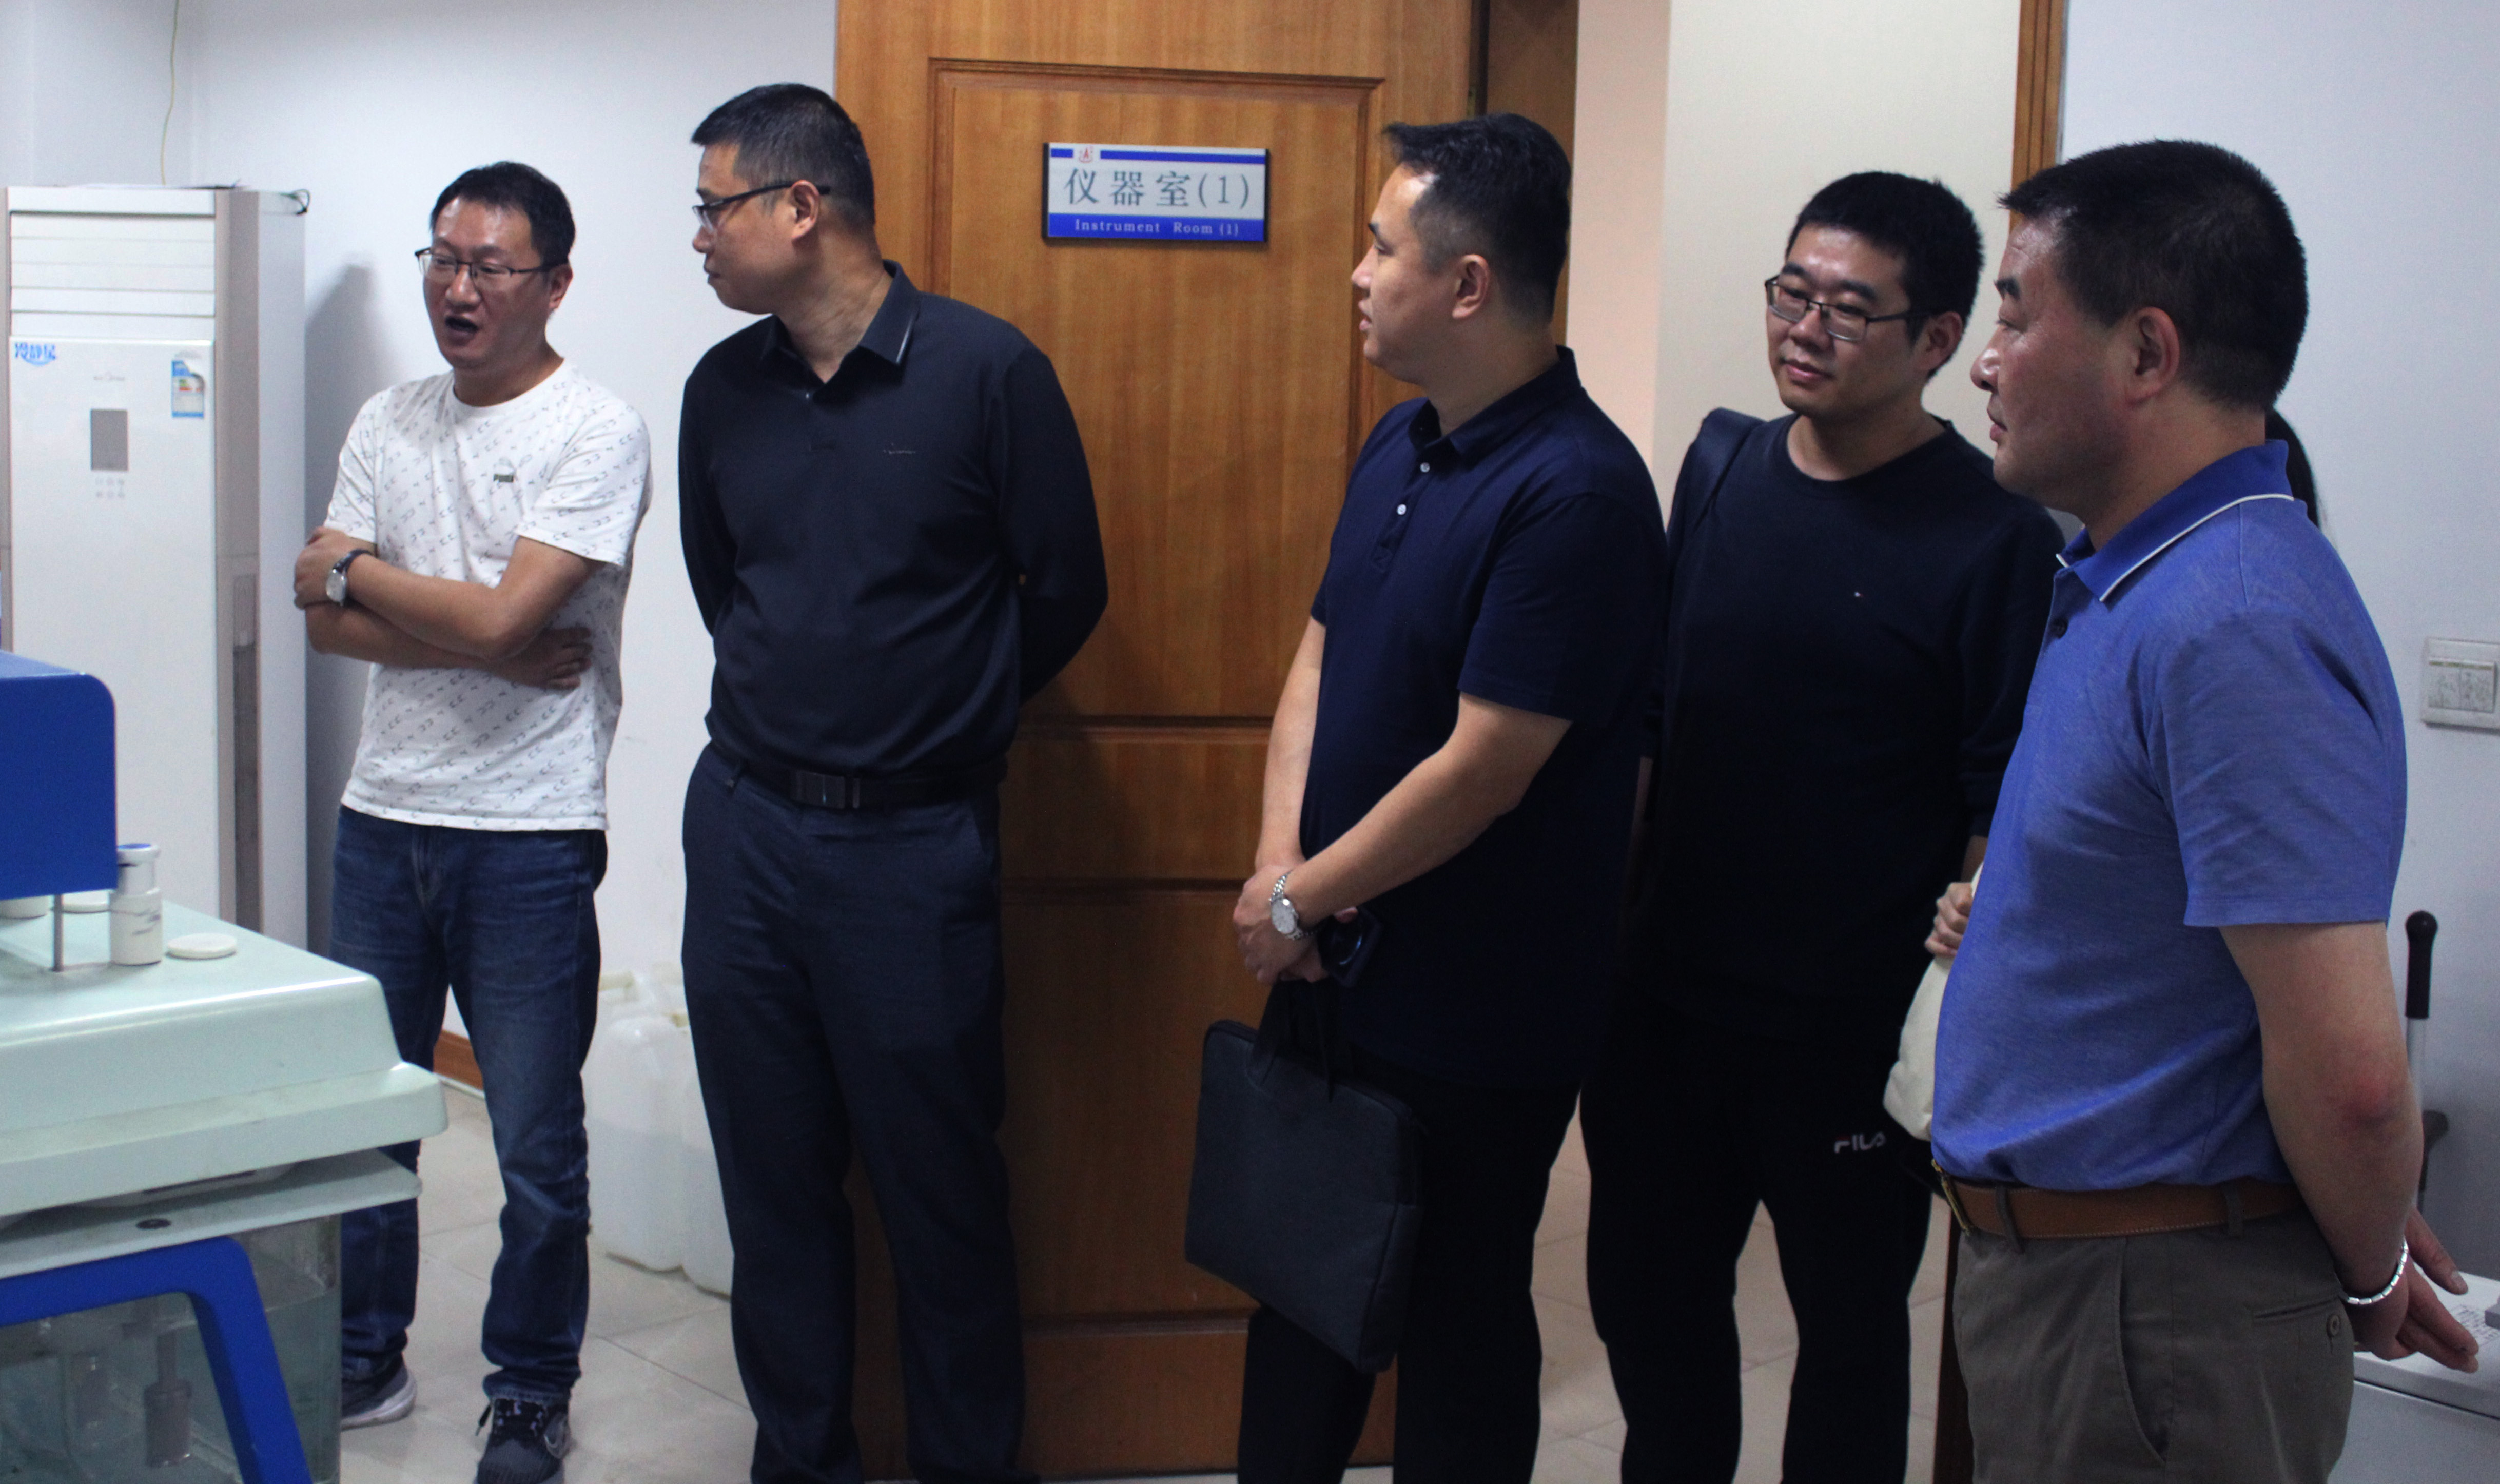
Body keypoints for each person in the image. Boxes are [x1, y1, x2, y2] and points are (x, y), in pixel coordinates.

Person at [1932, 138, 2478, 1483]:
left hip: (2155, 1313)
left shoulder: (2232, 619)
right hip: (2093, 1288)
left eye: (2016, 315)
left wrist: (2367, 1273)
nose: (1986, 364)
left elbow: (2357, 1079)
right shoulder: (2138, 582)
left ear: (2146, 353)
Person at [1584, 173, 2063, 1484]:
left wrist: (1957, 1018)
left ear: (1938, 338)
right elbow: (1657, 720)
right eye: (1792, 292)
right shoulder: (1721, 465)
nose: (1805, 327)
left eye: (1849, 309)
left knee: (1850, 1347)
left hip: (1849, 1038)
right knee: (1651, 1320)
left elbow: (1996, 805)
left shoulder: (1996, 537)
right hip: (1667, 1009)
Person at [674, 83, 1106, 1484]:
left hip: (913, 849)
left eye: (714, 208)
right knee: (774, 1189)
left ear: (802, 207)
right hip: (746, 830)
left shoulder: (987, 373)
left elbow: (1067, 588)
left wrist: (942, 711)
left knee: (941, 1195)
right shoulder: (720, 392)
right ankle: (803, 1461)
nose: (699, 238)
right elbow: (724, 588)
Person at [1229, 113, 1667, 1484]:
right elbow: (1319, 654)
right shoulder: (1403, 440)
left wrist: (1303, 897)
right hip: (1332, 966)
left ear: (1469, 283)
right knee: (1300, 1304)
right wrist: (1281, 875)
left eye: (1382, 248)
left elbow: (1485, 768)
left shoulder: (1579, 494)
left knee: (1459, 1335)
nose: (1359, 274)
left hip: (1478, 1011)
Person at [294, 161, 652, 1484]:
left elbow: (492, 613)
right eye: (442, 260)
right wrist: (477, 639)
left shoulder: (596, 429)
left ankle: (530, 1391)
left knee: (536, 1147)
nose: (458, 287)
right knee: (367, 1118)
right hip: (382, 818)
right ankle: (363, 1357)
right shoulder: (389, 418)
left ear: (553, 284)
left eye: (490, 266)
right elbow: (323, 623)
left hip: (530, 834)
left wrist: (359, 570)